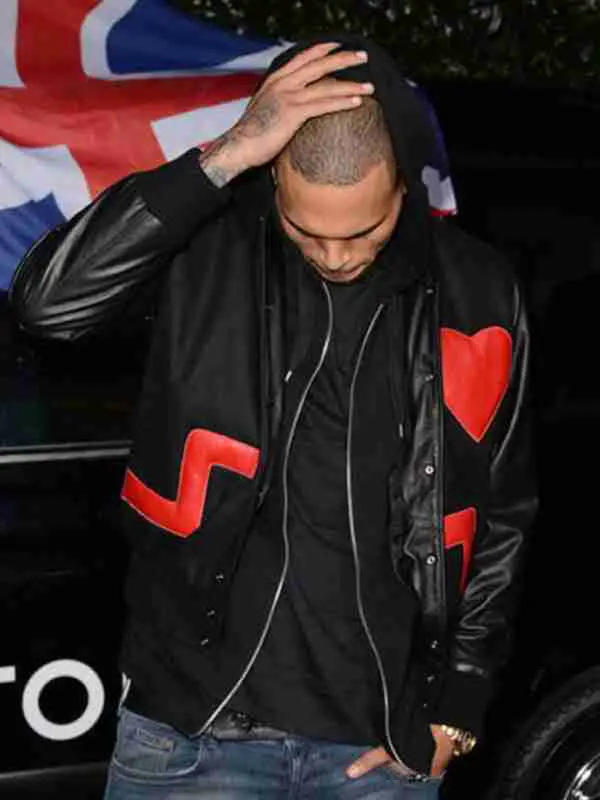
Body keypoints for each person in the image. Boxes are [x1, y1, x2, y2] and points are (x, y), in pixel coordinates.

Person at [9, 34, 537, 800]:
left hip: (379, 747)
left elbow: (502, 511)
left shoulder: (476, 289)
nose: (335, 255)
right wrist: (224, 154)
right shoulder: (207, 249)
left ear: (404, 188)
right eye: (305, 230)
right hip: (192, 735)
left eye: (362, 232)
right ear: (273, 176)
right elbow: (49, 307)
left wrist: (459, 701)